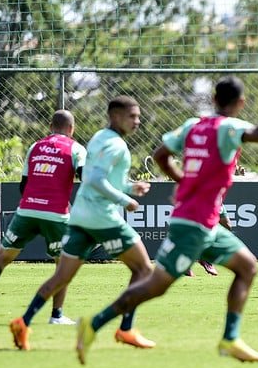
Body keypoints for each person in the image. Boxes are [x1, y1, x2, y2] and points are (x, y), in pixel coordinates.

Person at [75, 72, 258, 365]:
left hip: (203, 219)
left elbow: (160, 155)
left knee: (247, 267)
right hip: (194, 223)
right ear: (241, 103)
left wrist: (183, 181)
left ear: (213, 99)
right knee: (156, 286)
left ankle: (230, 339)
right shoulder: (229, 127)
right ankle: (93, 324)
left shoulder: (193, 126)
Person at [9, 96, 154, 350]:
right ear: (116, 116)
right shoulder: (117, 145)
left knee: (61, 277)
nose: (137, 122)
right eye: (132, 116)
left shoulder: (98, 137)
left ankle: (24, 321)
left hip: (81, 217)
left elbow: (93, 177)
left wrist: (130, 186)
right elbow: (96, 179)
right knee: (144, 270)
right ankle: (123, 328)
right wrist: (125, 199)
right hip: (102, 217)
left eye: (138, 116)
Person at [0, 110, 86, 325]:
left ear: (50, 126)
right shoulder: (77, 148)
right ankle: (56, 315)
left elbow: (23, 185)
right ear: (72, 129)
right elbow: (84, 176)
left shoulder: (35, 147)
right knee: (62, 263)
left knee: (2, 257)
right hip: (56, 213)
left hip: (26, 210)